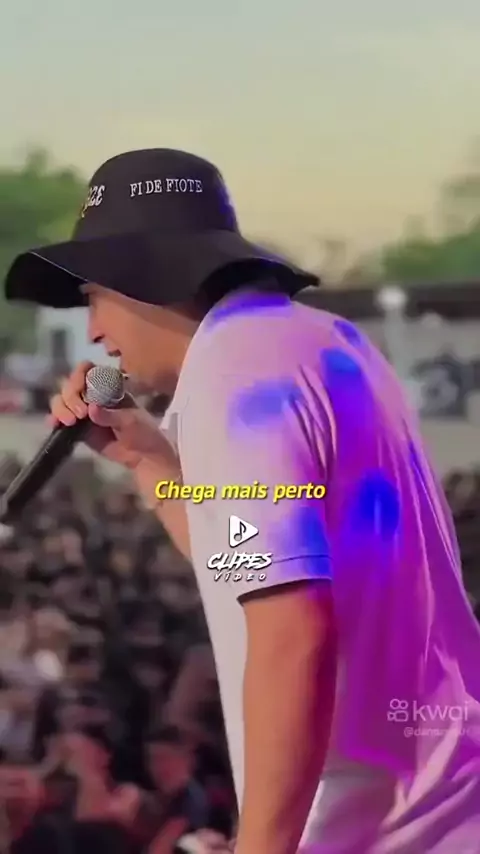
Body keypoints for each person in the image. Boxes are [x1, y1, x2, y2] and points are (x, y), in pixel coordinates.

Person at [5, 147, 480, 853]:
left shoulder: (231, 370)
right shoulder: (325, 339)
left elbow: (292, 633)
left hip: (387, 830)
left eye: (95, 297)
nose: (96, 330)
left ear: (147, 277)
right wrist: (147, 458)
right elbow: (251, 568)